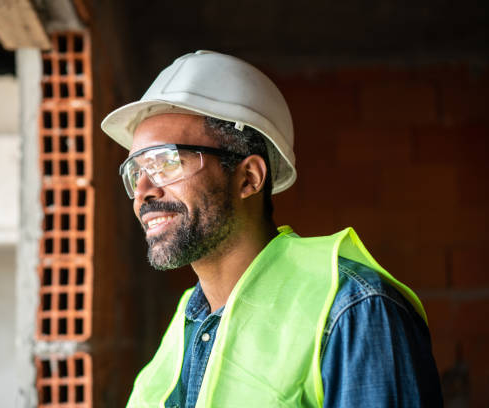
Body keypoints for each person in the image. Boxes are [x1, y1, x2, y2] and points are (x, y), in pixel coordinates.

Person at [101, 51, 443, 408]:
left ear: (248, 178)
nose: (143, 193)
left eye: (167, 162)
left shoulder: (352, 309)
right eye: (136, 171)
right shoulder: (188, 317)